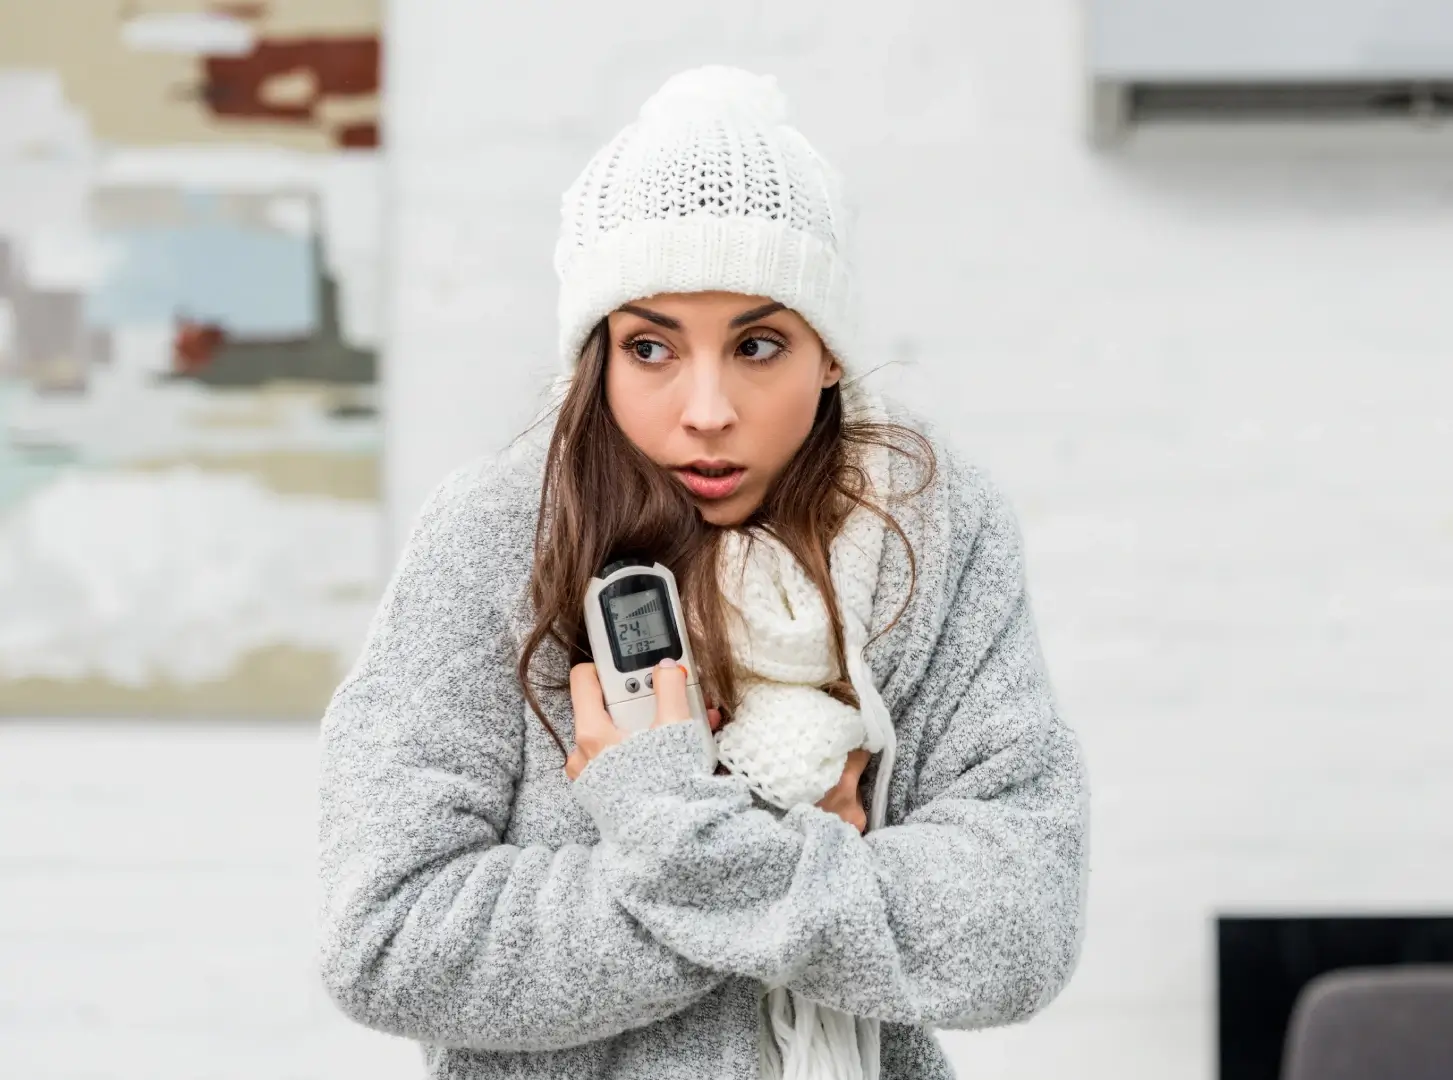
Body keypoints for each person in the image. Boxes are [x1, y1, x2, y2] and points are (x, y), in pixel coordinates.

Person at [316, 66, 1090, 1080]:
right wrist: (785, 864)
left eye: (758, 344)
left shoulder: (929, 528)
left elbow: (1018, 924)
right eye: (652, 348)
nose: (708, 410)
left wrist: (670, 829)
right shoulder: (498, 536)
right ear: (598, 356)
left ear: (828, 354)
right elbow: (387, 937)